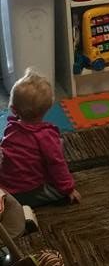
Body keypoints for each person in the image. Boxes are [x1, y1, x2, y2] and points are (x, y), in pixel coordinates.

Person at [0, 69, 80, 208]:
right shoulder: (46, 136)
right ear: (48, 107)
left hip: (6, 186)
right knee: (58, 187)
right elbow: (57, 164)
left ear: (13, 109)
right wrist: (68, 188)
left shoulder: (11, 127)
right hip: (29, 191)